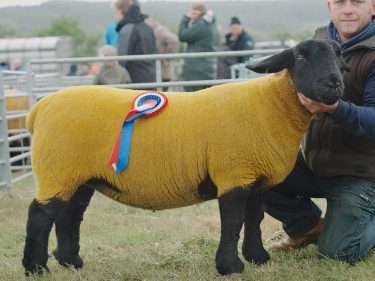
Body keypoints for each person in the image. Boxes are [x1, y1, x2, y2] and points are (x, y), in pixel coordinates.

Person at [264, 0, 375, 263]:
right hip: (314, 162)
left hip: (360, 172)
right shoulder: (314, 43)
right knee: (254, 172)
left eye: (357, 2)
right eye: (340, 2)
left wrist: (334, 108)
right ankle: (306, 227)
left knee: (338, 253)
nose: (347, 9)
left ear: (373, 7)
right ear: (329, 7)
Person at [114, 0, 157, 84]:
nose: (115, 16)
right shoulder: (146, 27)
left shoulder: (127, 28)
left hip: (133, 78)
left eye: (116, 12)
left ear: (121, 11)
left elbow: (122, 59)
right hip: (151, 75)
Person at [178, 2, 218, 92]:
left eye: (194, 13)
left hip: (197, 70)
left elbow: (182, 36)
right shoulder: (209, 24)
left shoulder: (201, 25)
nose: (192, 15)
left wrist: (185, 18)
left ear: (201, 13)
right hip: (205, 69)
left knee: (193, 98)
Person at [144, 17, 180, 89]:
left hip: (163, 70)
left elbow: (174, 40)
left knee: (162, 94)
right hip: (158, 70)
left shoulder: (159, 30)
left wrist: (167, 57)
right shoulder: (153, 30)